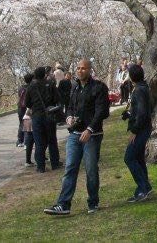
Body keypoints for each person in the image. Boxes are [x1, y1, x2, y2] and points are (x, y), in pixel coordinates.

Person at [45, 59, 109, 216]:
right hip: (74, 134)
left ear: (89, 70)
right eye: (78, 68)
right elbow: (70, 107)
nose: (80, 71)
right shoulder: (74, 87)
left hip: (92, 135)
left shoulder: (98, 87)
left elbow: (102, 111)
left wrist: (90, 129)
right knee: (70, 168)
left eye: (83, 68)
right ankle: (63, 204)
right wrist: (69, 117)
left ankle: (93, 202)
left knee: (91, 169)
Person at [124, 64, 153, 203]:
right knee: (139, 158)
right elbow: (141, 109)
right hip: (143, 127)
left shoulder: (140, 90)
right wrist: (129, 114)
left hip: (141, 129)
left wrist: (135, 131)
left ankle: (142, 189)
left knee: (129, 158)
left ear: (131, 77)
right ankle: (146, 186)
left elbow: (142, 113)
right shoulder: (143, 87)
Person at [24, 66, 61, 173]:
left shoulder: (31, 87)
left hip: (37, 116)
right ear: (45, 74)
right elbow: (57, 98)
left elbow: (27, 103)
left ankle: (41, 167)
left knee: (39, 142)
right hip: (49, 115)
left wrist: (35, 106)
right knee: (52, 140)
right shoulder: (51, 84)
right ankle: (55, 163)